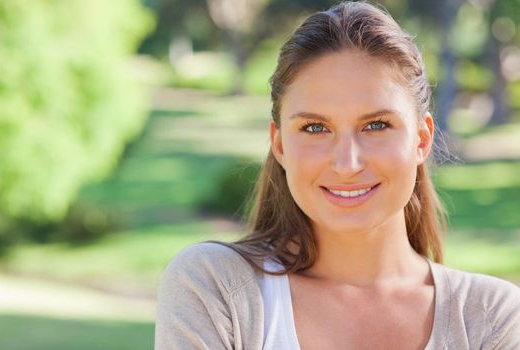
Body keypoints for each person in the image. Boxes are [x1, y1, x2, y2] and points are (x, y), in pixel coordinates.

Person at [155, 1, 520, 349]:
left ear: (421, 139)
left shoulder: (492, 317)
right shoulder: (216, 287)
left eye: (376, 125)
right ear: (280, 145)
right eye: (315, 128)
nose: (347, 163)